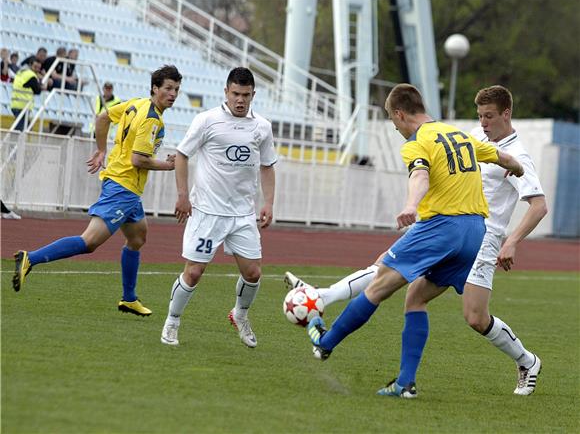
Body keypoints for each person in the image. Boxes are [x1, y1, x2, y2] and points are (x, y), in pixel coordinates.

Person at [286, 85, 547, 397]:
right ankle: (404, 383)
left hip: (444, 227)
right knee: (416, 297)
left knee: (380, 283)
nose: (395, 128)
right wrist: (514, 166)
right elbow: (498, 156)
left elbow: (420, 176)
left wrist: (411, 205)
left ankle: (325, 342)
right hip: (474, 232)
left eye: (393, 121)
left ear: (399, 114)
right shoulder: (460, 135)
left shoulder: (416, 143)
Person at [12, 65, 182, 317]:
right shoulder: (152, 119)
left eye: (177, 89)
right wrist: (168, 166)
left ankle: (129, 298)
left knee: (137, 238)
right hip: (123, 187)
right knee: (89, 242)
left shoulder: (136, 103)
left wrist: (101, 150)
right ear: (155, 88)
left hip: (127, 188)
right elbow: (139, 160)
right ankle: (31, 258)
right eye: (168, 88)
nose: (173, 94)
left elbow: (102, 117)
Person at [160, 67, 277, 348]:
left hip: (242, 214)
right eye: (235, 94)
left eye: (245, 95)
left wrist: (268, 203)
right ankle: (172, 322)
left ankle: (240, 314)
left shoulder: (262, 126)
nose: (240, 100)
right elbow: (182, 155)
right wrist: (182, 195)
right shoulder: (207, 120)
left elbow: (267, 165)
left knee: (253, 273)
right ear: (226, 92)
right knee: (194, 272)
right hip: (208, 212)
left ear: (253, 95)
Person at [10, 58, 51, 131]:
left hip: (16, 104)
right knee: (20, 130)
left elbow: (35, 85)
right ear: (30, 65)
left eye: (38, 68)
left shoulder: (21, 72)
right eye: (35, 67)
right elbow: (37, 90)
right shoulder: (31, 75)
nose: (37, 70)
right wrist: (45, 78)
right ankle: (12, 142)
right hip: (22, 106)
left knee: (26, 128)